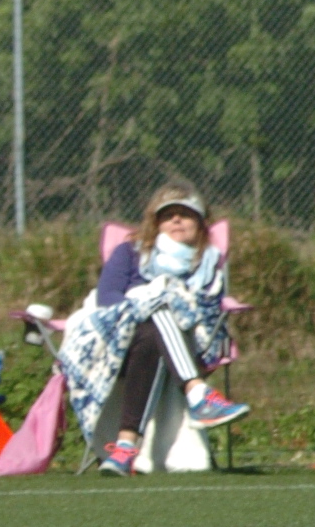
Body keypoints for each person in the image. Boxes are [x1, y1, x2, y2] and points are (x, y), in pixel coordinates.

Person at [58, 183, 247, 476]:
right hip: (118, 342)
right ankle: (197, 392)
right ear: (156, 223)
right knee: (156, 307)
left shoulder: (207, 263)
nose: (176, 220)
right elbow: (107, 297)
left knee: (155, 329)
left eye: (185, 214)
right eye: (168, 215)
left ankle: (124, 450)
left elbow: (207, 308)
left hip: (187, 342)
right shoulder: (129, 253)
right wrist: (147, 303)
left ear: (200, 223)